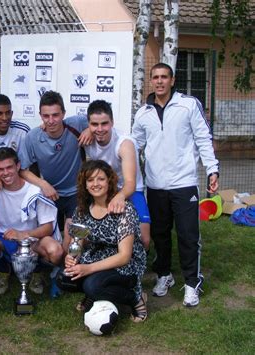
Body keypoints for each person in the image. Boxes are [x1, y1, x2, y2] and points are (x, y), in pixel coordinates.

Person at [132, 62, 219, 307]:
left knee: (188, 236)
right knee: (160, 235)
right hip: (156, 186)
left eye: (164, 77)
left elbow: (203, 138)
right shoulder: (143, 113)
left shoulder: (188, 105)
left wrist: (212, 168)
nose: (159, 81)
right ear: (151, 81)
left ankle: (192, 283)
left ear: (172, 80)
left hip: (184, 184)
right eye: (155, 77)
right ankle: (164, 275)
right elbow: (133, 146)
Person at [59, 160, 147, 322]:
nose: (95, 184)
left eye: (100, 179)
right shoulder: (81, 209)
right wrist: (72, 257)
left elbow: (124, 256)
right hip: (96, 256)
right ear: (84, 185)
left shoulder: (124, 209)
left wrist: (88, 269)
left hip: (125, 264)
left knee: (92, 285)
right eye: (90, 180)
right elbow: (77, 243)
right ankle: (94, 294)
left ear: (109, 181)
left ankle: (135, 298)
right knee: (64, 279)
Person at [0, 147, 63, 295]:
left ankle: (37, 272)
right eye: (0, 169)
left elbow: (47, 227)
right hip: (4, 238)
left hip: (32, 240)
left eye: (9, 167)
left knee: (56, 251)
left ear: (18, 166)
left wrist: (23, 234)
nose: (5, 173)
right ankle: (3, 271)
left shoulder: (35, 190)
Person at [18, 91, 88, 244]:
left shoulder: (77, 123)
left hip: (75, 192)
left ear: (63, 113)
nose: (51, 120)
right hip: (49, 194)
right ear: (40, 115)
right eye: (46, 116)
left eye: (55, 115)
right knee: (48, 241)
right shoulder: (33, 137)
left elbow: (100, 121)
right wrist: (43, 184)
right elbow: (22, 170)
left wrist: (89, 130)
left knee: (71, 240)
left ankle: (68, 263)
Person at [84, 100, 151, 251]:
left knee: (145, 240)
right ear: (88, 124)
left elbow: (130, 183)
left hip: (130, 190)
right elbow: (57, 123)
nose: (100, 129)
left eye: (104, 124)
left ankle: (135, 265)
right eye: (94, 124)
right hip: (104, 189)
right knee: (88, 233)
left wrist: (119, 197)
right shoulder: (87, 139)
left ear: (112, 122)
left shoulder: (124, 143)